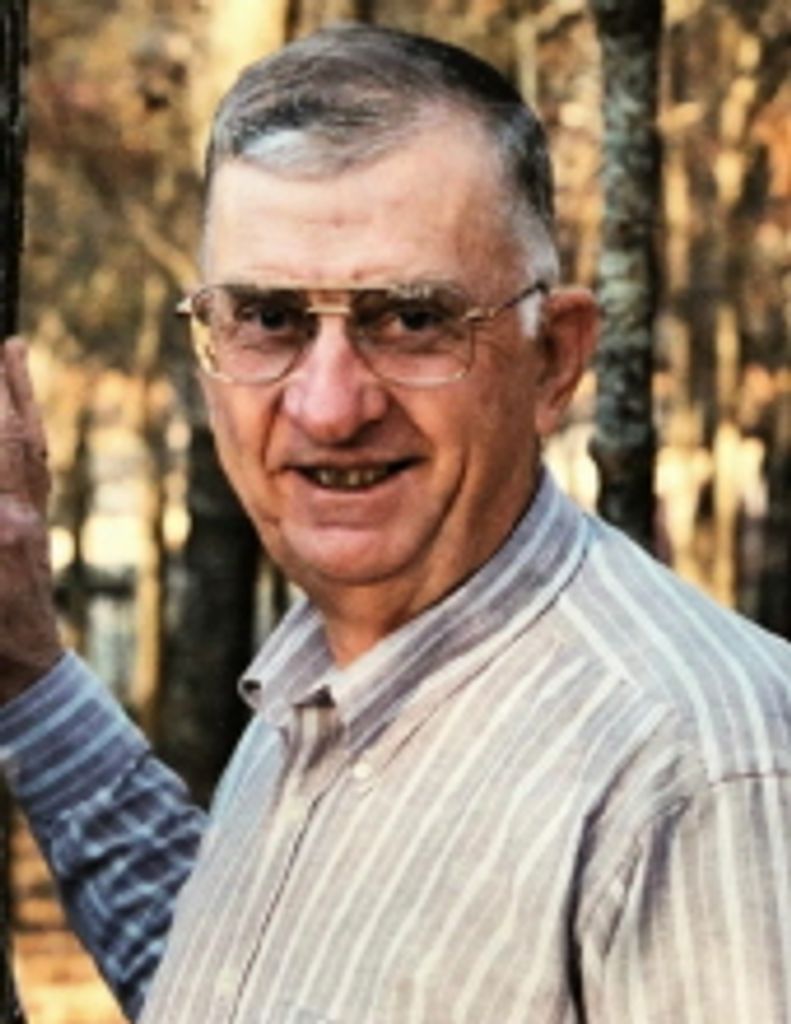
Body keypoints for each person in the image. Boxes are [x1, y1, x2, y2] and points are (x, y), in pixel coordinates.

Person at [1, 22, 790, 1024]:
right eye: (269, 319)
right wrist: (31, 674)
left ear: (553, 360)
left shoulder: (694, 777)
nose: (329, 406)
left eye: (411, 319)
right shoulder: (332, 672)